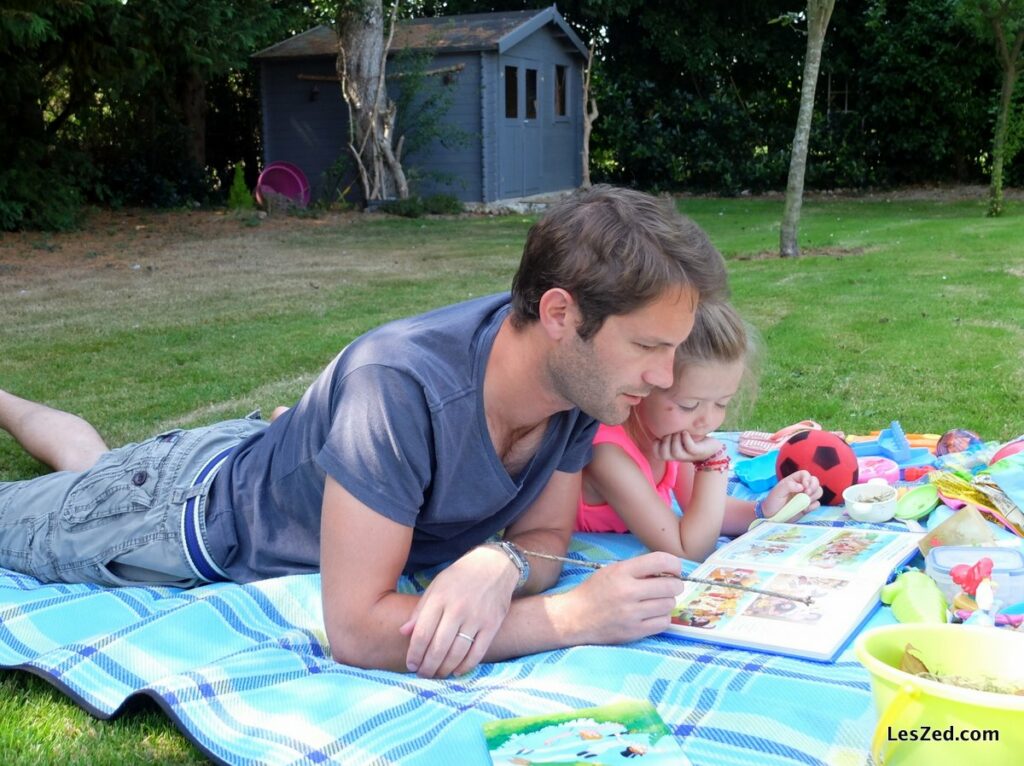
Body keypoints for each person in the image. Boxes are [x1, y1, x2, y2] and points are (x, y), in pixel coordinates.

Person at [0, 185, 729, 679]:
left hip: (253, 454)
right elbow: (356, 631)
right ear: (562, 316)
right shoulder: (400, 386)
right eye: (648, 348)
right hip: (168, 515)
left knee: (85, 459)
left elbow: (544, 538)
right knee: (53, 500)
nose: (665, 380)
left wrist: (499, 563)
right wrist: (568, 618)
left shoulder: (573, 382)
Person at [575, 301, 822, 561]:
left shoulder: (670, 436)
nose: (707, 421)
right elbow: (689, 549)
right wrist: (713, 463)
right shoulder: (607, 454)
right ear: (645, 386)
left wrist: (765, 510)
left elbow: (706, 513)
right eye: (689, 405)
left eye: (721, 403)